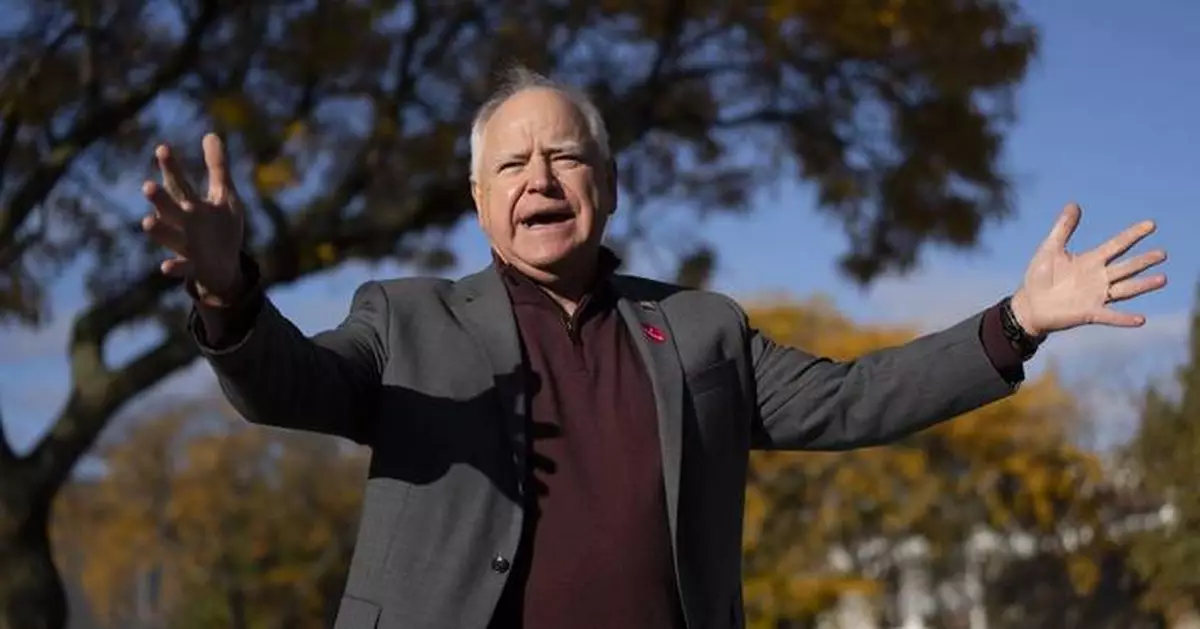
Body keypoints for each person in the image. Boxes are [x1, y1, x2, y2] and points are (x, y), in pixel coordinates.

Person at [140, 67, 1167, 629]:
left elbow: (857, 397)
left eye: (564, 154)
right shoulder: (405, 318)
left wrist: (1018, 319)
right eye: (512, 162)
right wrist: (229, 289)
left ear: (608, 184)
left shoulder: (703, 329)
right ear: (480, 200)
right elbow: (289, 385)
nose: (539, 176)